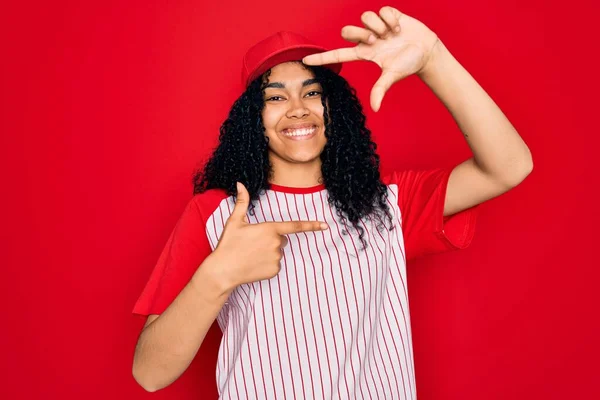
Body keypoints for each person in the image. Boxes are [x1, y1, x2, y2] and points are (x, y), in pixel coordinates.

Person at [131, 6, 533, 399]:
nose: (298, 108)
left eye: (312, 92)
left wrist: (433, 58)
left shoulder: (387, 205)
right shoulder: (216, 214)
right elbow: (150, 374)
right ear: (253, 119)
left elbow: (508, 167)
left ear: (332, 109)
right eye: (275, 97)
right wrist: (218, 274)